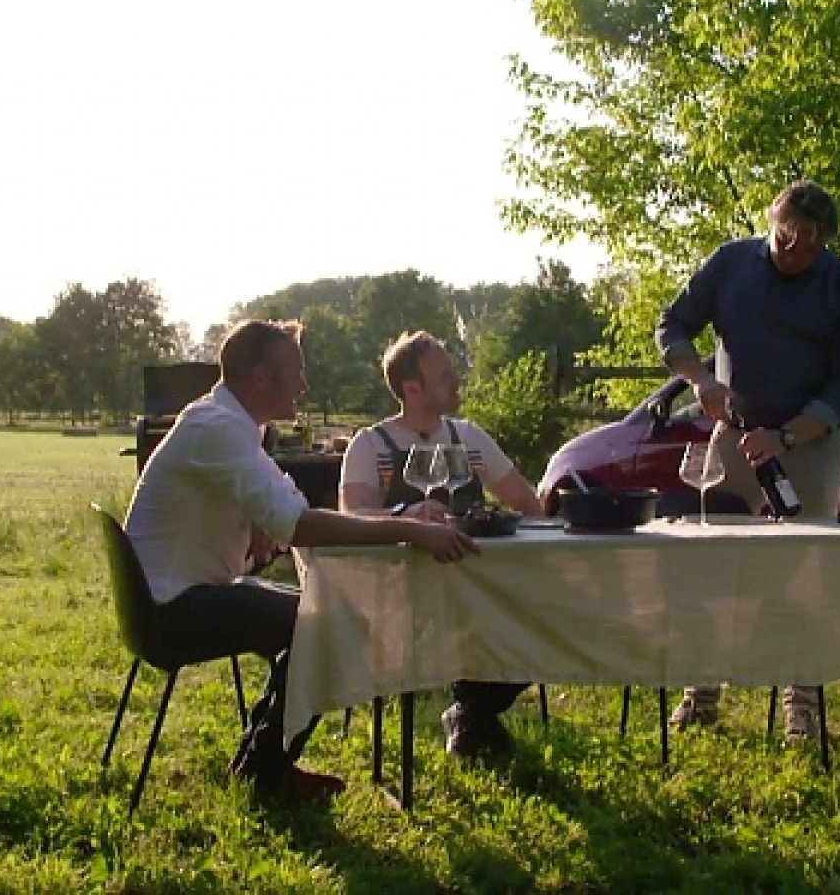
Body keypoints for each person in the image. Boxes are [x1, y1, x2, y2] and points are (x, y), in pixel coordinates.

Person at [124, 319, 479, 805]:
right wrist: (410, 529)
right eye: (297, 372)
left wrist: (260, 521)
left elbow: (284, 505)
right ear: (261, 379)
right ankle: (265, 770)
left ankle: (263, 759)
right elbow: (300, 524)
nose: (305, 385)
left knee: (324, 618)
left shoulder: (225, 421)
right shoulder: (219, 428)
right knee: (330, 626)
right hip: (172, 609)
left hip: (172, 595)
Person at [655, 180, 840, 739]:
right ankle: (700, 695)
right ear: (770, 223)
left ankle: (802, 705)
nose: (791, 252)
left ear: (824, 244)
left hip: (810, 443)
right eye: (784, 237)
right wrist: (701, 381)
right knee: (716, 566)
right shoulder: (731, 263)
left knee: (805, 574)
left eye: (806, 245)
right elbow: (671, 325)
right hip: (734, 438)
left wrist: (789, 438)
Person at [339, 330, 547, 758]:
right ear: (412, 390)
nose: (457, 381)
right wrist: (404, 517)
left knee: (545, 614)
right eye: (445, 375)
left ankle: (471, 710)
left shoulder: (468, 438)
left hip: (482, 587)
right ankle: (474, 713)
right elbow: (352, 518)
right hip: (405, 594)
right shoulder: (371, 446)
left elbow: (525, 501)